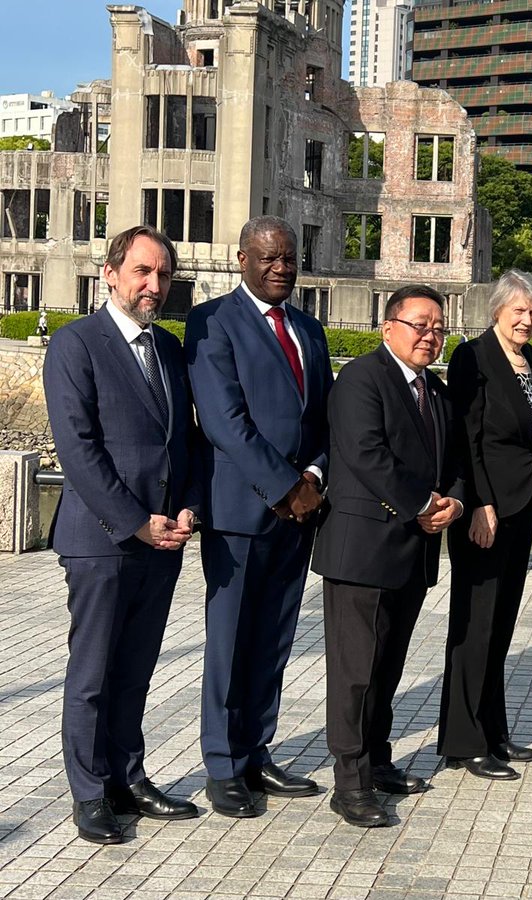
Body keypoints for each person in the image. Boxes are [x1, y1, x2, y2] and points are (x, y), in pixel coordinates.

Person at [44, 226, 200, 844]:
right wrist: (136, 521)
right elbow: (78, 449)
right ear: (110, 273)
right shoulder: (75, 344)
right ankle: (88, 793)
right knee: (92, 674)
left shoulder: (169, 349)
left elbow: (184, 440)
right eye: (141, 272)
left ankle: (126, 778)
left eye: (162, 275)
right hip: (102, 539)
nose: (152, 286)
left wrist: (187, 508)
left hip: (163, 540)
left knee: (135, 669)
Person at [185, 216, 334, 818]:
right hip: (242, 512)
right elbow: (224, 421)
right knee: (231, 640)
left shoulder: (309, 327)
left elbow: (324, 415)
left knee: (273, 637)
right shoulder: (213, 321)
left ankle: (256, 751)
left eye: (289, 258)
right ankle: (222, 765)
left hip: (299, 513)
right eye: (268, 258)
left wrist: (316, 477)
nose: (281, 268)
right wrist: (282, 486)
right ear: (241, 258)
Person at [313, 285, 462, 826]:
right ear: (388, 326)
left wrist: (456, 502)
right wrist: (423, 503)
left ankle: (376, 760)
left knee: (387, 667)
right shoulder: (360, 380)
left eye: (438, 326)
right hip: (363, 550)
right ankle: (350, 783)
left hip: (412, 551)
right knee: (354, 672)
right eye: (419, 324)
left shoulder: (437, 392)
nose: (429, 335)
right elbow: (365, 454)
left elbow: (457, 462)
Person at [437, 271, 532, 781]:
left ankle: (493, 729)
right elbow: (466, 437)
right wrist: (479, 502)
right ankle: (463, 741)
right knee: (475, 622)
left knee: (502, 621)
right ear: (498, 310)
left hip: (523, 504)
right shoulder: (473, 357)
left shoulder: (530, 362)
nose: (527, 319)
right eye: (519, 310)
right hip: (486, 510)